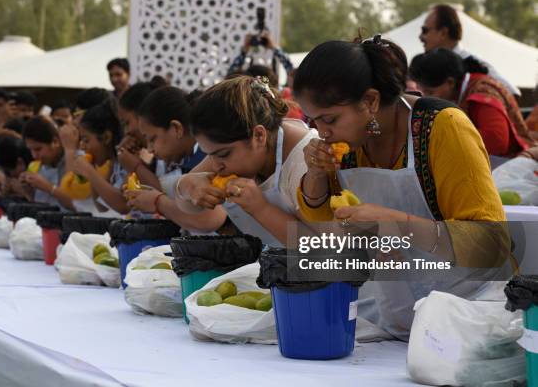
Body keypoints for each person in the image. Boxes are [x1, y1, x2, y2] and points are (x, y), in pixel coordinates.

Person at [292, 36, 511, 340]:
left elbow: (491, 246)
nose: (322, 132)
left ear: (370, 101)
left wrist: (395, 223)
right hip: (393, 312)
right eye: (313, 121)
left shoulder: (444, 127)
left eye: (329, 119)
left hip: (469, 309)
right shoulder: (350, 144)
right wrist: (315, 175)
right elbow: (319, 220)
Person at [172, 76, 317, 246]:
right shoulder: (225, 155)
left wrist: (261, 209)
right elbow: (186, 205)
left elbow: (322, 249)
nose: (215, 165)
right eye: (209, 154)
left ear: (259, 136)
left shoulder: (306, 162)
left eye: (223, 154)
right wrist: (188, 187)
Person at [124, 86, 221, 232]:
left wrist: (157, 202)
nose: (150, 149)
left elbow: (208, 219)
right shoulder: (190, 160)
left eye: (152, 139)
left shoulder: (209, 156)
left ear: (177, 128)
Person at [409, 48, 534, 158]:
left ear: (450, 82)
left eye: (430, 92)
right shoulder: (468, 88)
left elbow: (497, 141)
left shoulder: (482, 92)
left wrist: (443, 139)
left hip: (511, 162)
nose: (426, 97)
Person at [419, 4, 520, 96]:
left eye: (425, 30)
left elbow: (513, 92)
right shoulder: (434, 65)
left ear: (443, 33)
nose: (420, 37)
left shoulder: (473, 64)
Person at [63, 100, 127, 216]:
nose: (82, 146)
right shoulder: (114, 164)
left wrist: (90, 172)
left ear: (106, 137)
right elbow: (102, 207)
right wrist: (91, 172)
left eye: (86, 140)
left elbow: (122, 205)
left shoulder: (126, 160)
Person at [21, 116, 74, 209]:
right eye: (30, 150)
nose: (34, 156)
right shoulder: (38, 166)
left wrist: (48, 187)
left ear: (55, 142)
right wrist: (29, 192)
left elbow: (77, 206)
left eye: (38, 149)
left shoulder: (76, 160)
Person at [0, 133, 33, 199]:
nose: (7, 177)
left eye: (7, 172)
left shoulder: (38, 173)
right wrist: (3, 191)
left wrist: (24, 193)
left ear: (20, 163)